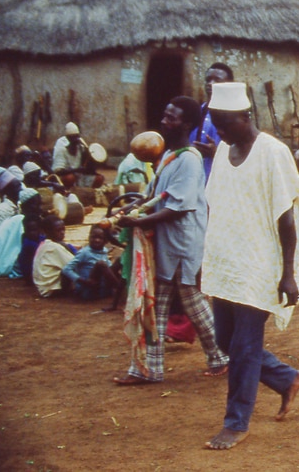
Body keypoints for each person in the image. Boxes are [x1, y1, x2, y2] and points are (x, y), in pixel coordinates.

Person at [200, 82, 299, 450]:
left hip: (260, 263)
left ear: (245, 116)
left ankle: (236, 422)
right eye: (215, 124)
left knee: (244, 346)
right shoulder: (222, 149)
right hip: (228, 260)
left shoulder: (272, 152)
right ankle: (286, 378)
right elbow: (216, 205)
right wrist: (208, 257)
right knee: (225, 341)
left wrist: (288, 272)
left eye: (225, 123)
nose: (220, 131)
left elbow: (287, 219)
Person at [113, 96, 229, 385]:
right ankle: (156, 366)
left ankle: (216, 356)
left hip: (182, 244)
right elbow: (155, 195)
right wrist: (131, 208)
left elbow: (177, 206)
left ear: (186, 124)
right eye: (165, 115)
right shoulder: (169, 156)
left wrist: (137, 221)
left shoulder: (189, 159)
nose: (165, 121)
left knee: (186, 302)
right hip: (169, 244)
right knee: (164, 303)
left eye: (172, 118)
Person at [191, 62, 234, 180]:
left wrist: (216, 152)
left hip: (220, 179)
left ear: (229, 84)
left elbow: (244, 155)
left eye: (217, 80)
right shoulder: (198, 112)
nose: (211, 84)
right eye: (208, 80)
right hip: (196, 180)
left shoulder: (235, 117)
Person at [62, 226, 123, 302]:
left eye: (100, 238)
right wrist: (83, 281)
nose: (96, 240)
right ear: (89, 238)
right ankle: (120, 289)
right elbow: (66, 269)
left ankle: (124, 287)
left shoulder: (104, 251)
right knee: (101, 264)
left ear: (105, 241)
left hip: (103, 289)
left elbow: (109, 269)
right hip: (89, 290)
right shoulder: (84, 252)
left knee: (121, 259)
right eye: (93, 237)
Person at [32, 216, 78, 298]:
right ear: (48, 232)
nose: (62, 232)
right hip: (52, 289)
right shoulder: (54, 247)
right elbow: (75, 264)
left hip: (43, 288)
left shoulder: (44, 244)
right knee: (72, 269)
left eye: (63, 229)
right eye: (58, 230)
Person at [52, 122, 102, 188]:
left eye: (77, 137)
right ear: (68, 138)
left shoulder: (80, 147)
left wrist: (89, 157)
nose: (76, 140)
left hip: (79, 177)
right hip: (65, 178)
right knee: (70, 178)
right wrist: (76, 170)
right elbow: (58, 171)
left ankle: (87, 194)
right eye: (73, 138)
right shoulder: (61, 149)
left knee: (99, 178)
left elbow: (86, 169)